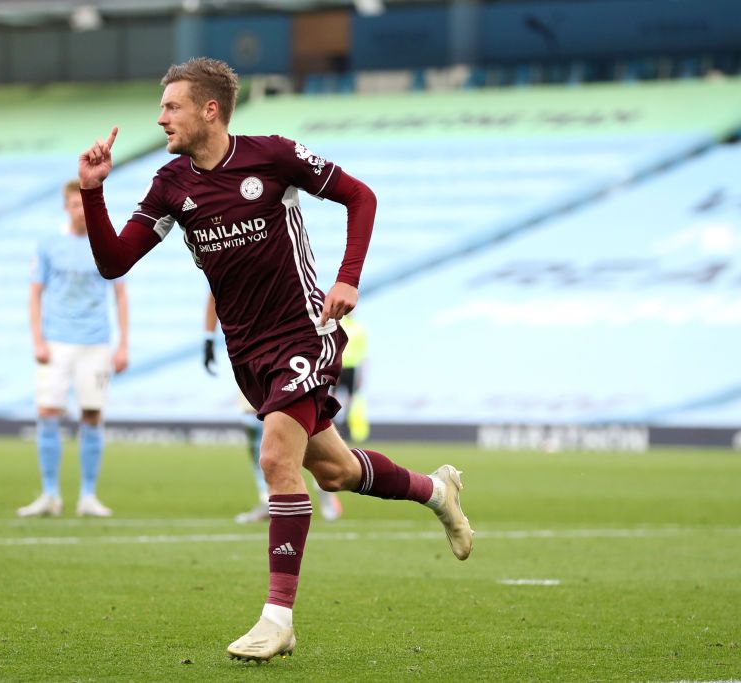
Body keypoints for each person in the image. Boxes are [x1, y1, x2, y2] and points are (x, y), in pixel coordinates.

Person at [77, 57, 473, 661]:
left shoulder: (274, 156)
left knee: (273, 459)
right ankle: (437, 494)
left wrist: (347, 279)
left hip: (302, 333)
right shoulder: (170, 185)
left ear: (210, 110)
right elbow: (113, 262)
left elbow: (360, 197)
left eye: (171, 106)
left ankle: (277, 619)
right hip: (246, 351)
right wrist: (94, 190)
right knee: (336, 471)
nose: (160, 119)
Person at [18, 180, 130, 519]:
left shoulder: (105, 243)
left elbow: (120, 295)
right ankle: (51, 494)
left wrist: (123, 343)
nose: (81, 210)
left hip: (95, 342)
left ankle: (88, 496)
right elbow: (35, 293)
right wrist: (37, 339)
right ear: (66, 207)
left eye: (85, 204)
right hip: (57, 340)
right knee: (48, 412)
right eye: (75, 204)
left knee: (92, 414)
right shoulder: (50, 245)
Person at [203, 293, 342, 524]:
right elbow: (215, 290)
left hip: (287, 347)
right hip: (248, 351)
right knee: (252, 423)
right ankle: (267, 497)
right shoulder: (222, 259)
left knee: (294, 425)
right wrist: (208, 337)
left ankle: (323, 483)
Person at [331, 314, 370, 442]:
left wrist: (361, 373)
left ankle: (346, 424)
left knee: (350, 398)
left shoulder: (359, 329)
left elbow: (363, 353)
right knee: (334, 396)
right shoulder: (337, 326)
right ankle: (334, 423)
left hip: (352, 367)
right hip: (338, 365)